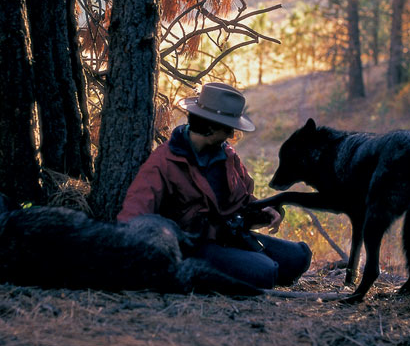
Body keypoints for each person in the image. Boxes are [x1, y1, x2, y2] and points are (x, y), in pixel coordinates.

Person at [117, 82, 312, 289]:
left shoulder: (228, 155)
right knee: (266, 272)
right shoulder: (163, 162)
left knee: (300, 257)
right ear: (210, 127)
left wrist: (267, 211)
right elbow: (133, 216)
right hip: (195, 248)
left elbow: (245, 202)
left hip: (232, 237)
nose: (231, 135)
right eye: (228, 128)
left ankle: (250, 268)